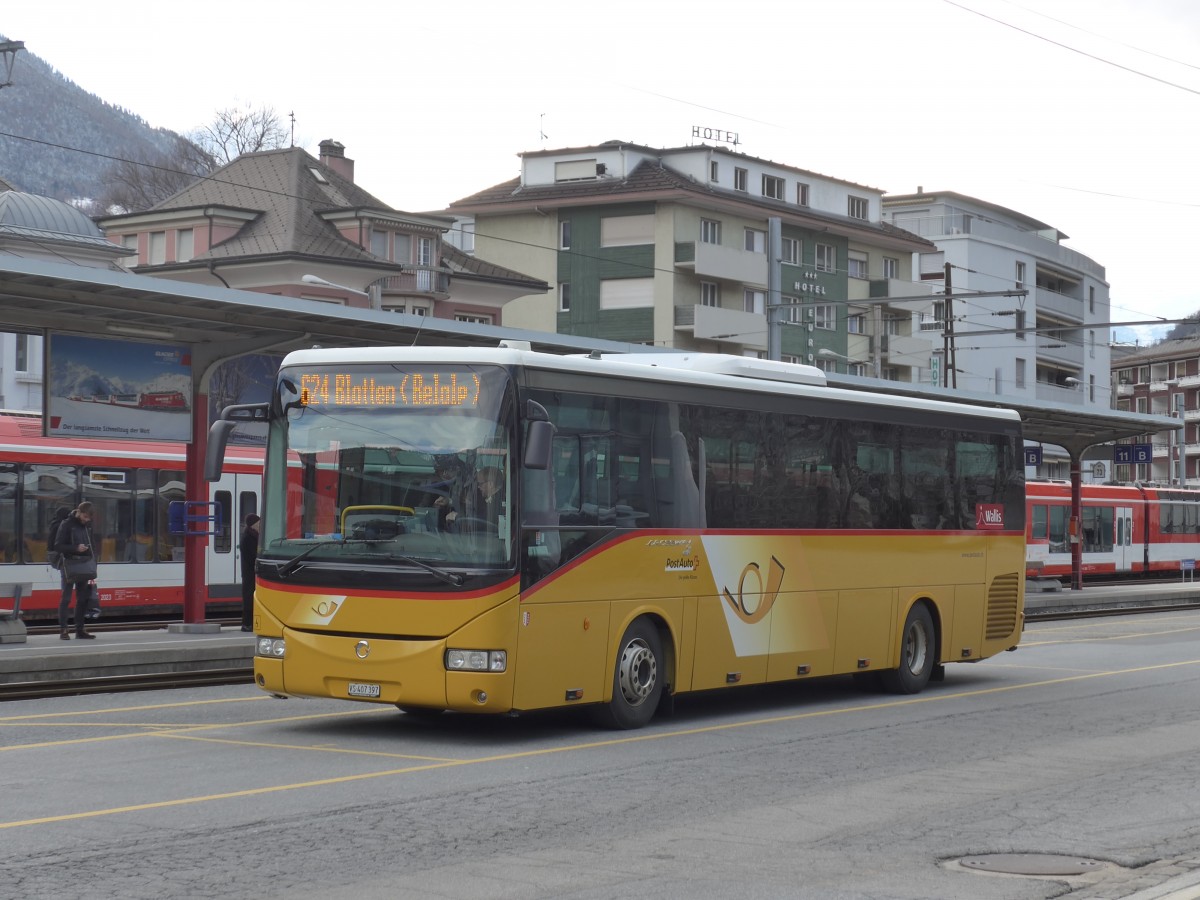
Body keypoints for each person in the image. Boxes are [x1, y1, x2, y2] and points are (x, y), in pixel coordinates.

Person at [55, 502, 96, 640]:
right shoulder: (66, 524)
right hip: (69, 565)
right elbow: (58, 546)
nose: (86, 520)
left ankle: (80, 630)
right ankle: (63, 630)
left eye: (88, 518)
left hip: (83, 564)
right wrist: (75, 548)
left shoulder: (87, 526)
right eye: (84, 516)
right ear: (78, 512)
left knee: (82, 598)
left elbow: (92, 543)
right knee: (66, 598)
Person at [240, 513, 260, 632]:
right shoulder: (249, 537)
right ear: (253, 525)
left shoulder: (250, 535)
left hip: (250, 572)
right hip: (250, 573)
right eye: (258, 523)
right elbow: (254, 555)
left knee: (250, 598)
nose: (260, 525)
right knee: (249, 598)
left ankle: (249, 623)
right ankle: (247, 624)